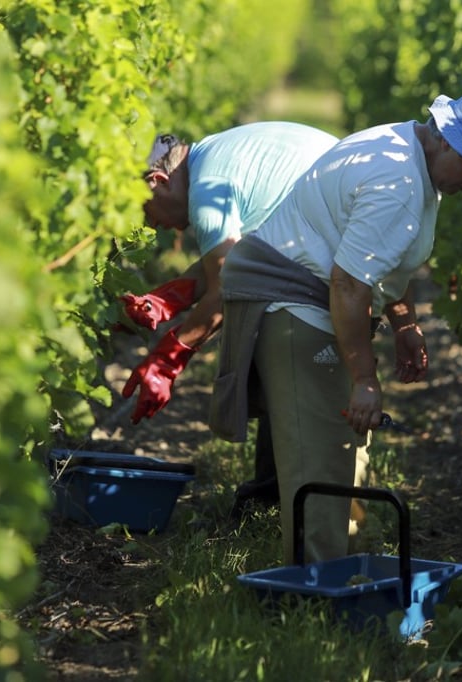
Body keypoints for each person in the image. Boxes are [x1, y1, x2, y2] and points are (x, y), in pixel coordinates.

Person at [209, 84, 462, 564]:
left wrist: (404, 324)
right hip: (296, 302)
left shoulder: (409, 149)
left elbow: (379, 258)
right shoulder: (398, 183)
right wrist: (365, 378)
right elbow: (349, 285)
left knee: (345, 440)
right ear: (447, 139)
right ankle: (317, 595)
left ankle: (349, 561)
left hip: (311, 293)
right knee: (324, 455)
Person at [117, 122, 339, 515]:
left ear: (156, 181)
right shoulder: (211, 156)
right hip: (335, 214)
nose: (153, 225)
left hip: (337, 235)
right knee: (282, 356)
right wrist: (170, 298)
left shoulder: (208, 190)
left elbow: (228, 288)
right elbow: (240, 257)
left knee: (275, 335)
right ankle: (272, 496)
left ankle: (283, 501)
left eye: (144, 211)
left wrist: (168, 360)